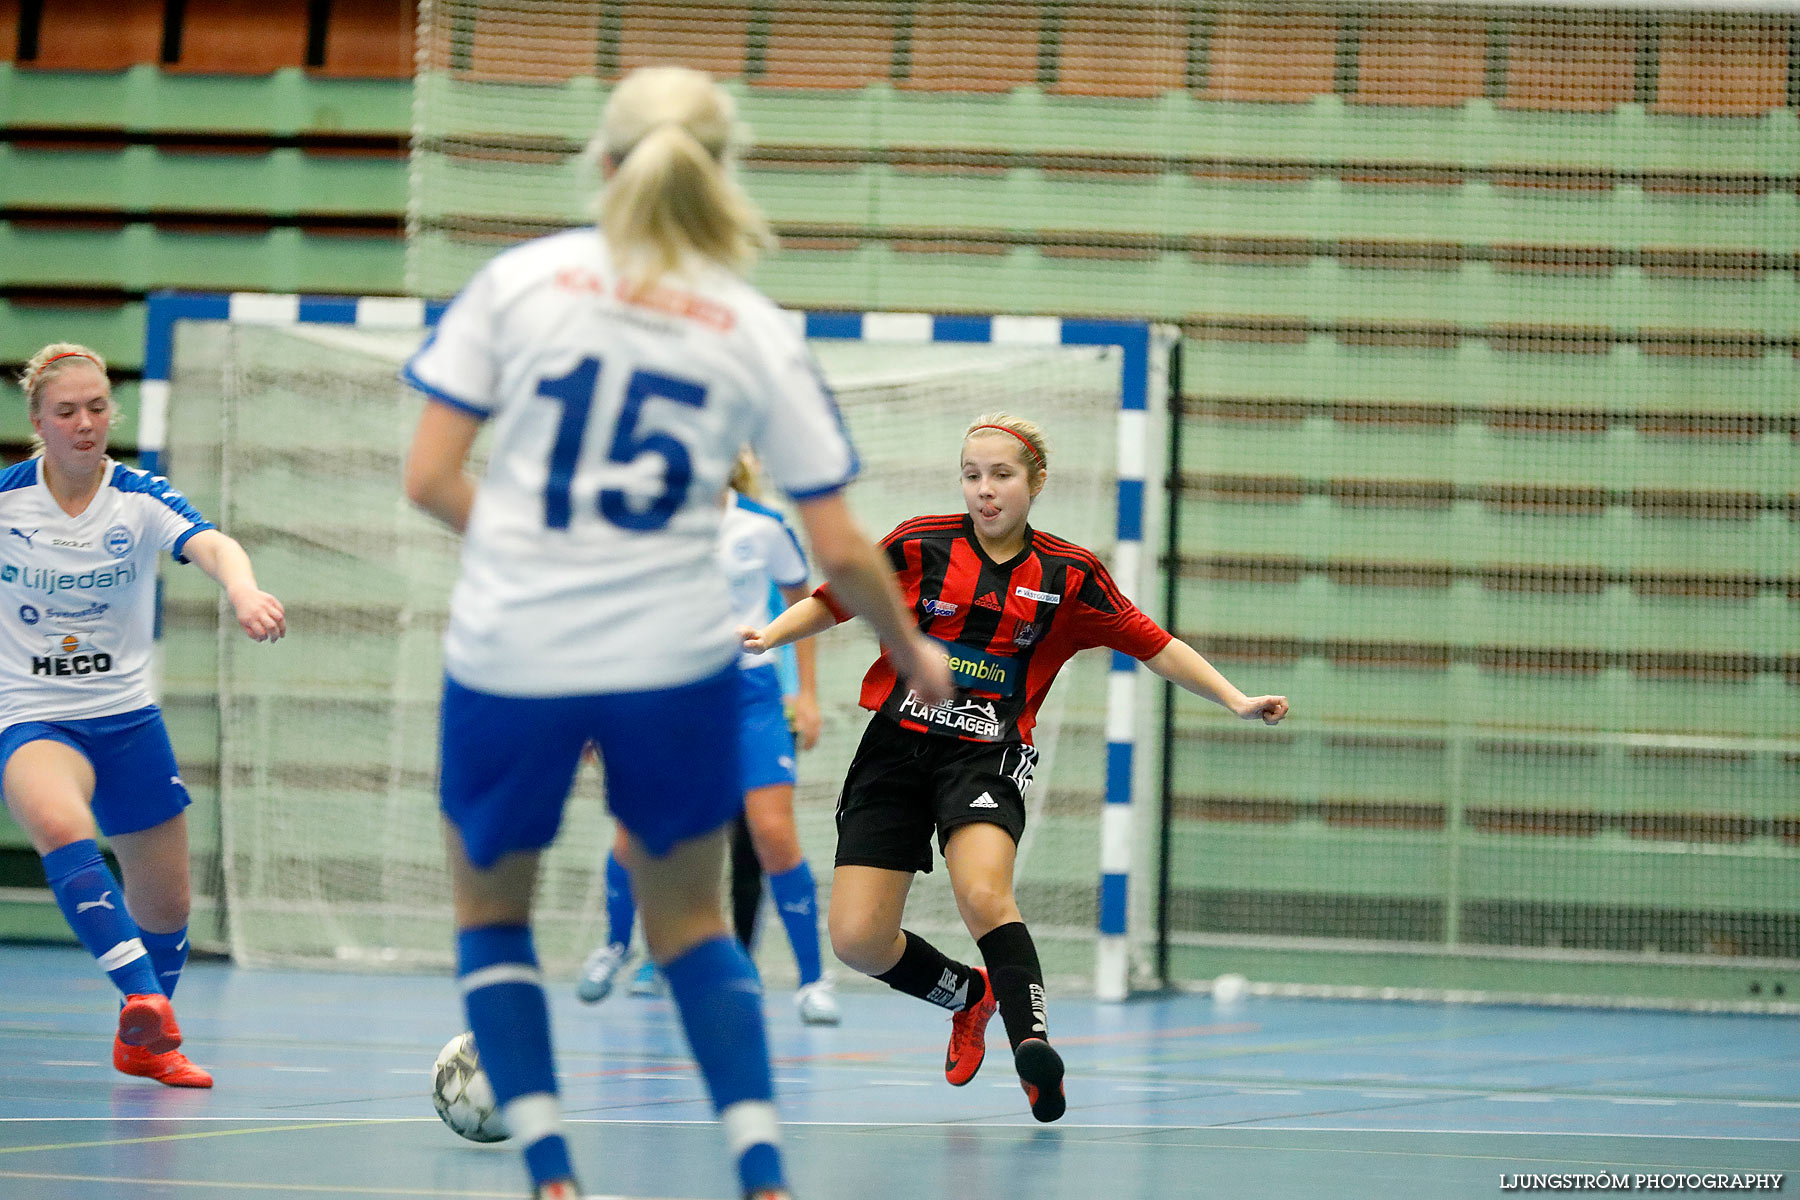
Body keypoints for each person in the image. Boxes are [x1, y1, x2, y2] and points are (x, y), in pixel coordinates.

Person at [401, 66, 951, 1200]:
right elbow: (843, 551)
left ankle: (550, 1173)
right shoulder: (752, 325)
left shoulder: (518, 282)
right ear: (723, 175)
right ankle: (761, 1175)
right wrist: (911, 651)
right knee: (694, 923)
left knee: (492, 919)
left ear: (601, 165)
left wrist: (528, 545)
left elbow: (429, 477)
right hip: (673, 663)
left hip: (514, 653)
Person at [742, 413, 1289, 1124]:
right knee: (857, 941)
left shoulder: (1070, 574)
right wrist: (768, 637)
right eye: (972, 475)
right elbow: (835, 598)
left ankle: (1032, 1045)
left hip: (988, 753)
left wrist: (1235, 699)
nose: (984, 490)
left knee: (983, 890)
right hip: (895, 750)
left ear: (1035, 482)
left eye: (1000, 475)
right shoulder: (919, 544)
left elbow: (1156, 644)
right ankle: (968, 997)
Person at [1, 343, 286, 1090]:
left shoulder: (137, 498)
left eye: (97, 407)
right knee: (63, 827)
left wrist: (243, 590)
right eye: (67, 411)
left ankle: (144, 1043)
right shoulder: (6, 504)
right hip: (34, 717)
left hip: (126, 719)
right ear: (39, 420)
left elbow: (214, 543)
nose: (86, 422)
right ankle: (144, 1003)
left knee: (166, 904)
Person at [577, 451, 842, 1027]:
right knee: (634, 834)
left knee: (773, 835)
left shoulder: (765, 527)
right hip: (665, 695)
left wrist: (807, 694)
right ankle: (616, 946)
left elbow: (806, 602)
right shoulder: (645, 525)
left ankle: (813, 980)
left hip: (748, 695)